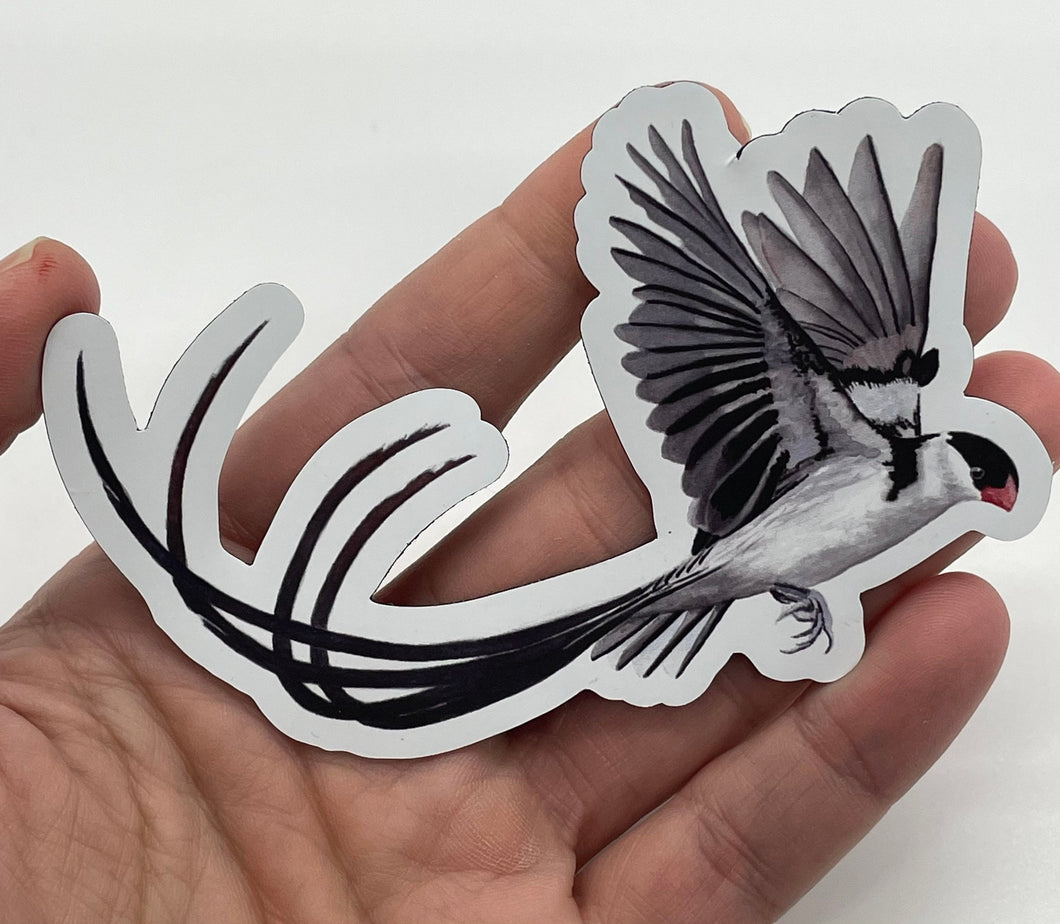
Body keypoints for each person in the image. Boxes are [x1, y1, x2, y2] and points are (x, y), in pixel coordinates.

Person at [0, 86, 1057, 924]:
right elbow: (774, 337)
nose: (981, 496)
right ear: (956, 458)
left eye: (991, 486)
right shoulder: (871, 428)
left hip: (744, 566)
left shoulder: (889, 431)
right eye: (984, 476)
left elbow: (832, 466)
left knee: (496, 657)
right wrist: (678, 205)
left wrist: (802, 592)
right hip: (732, 551)